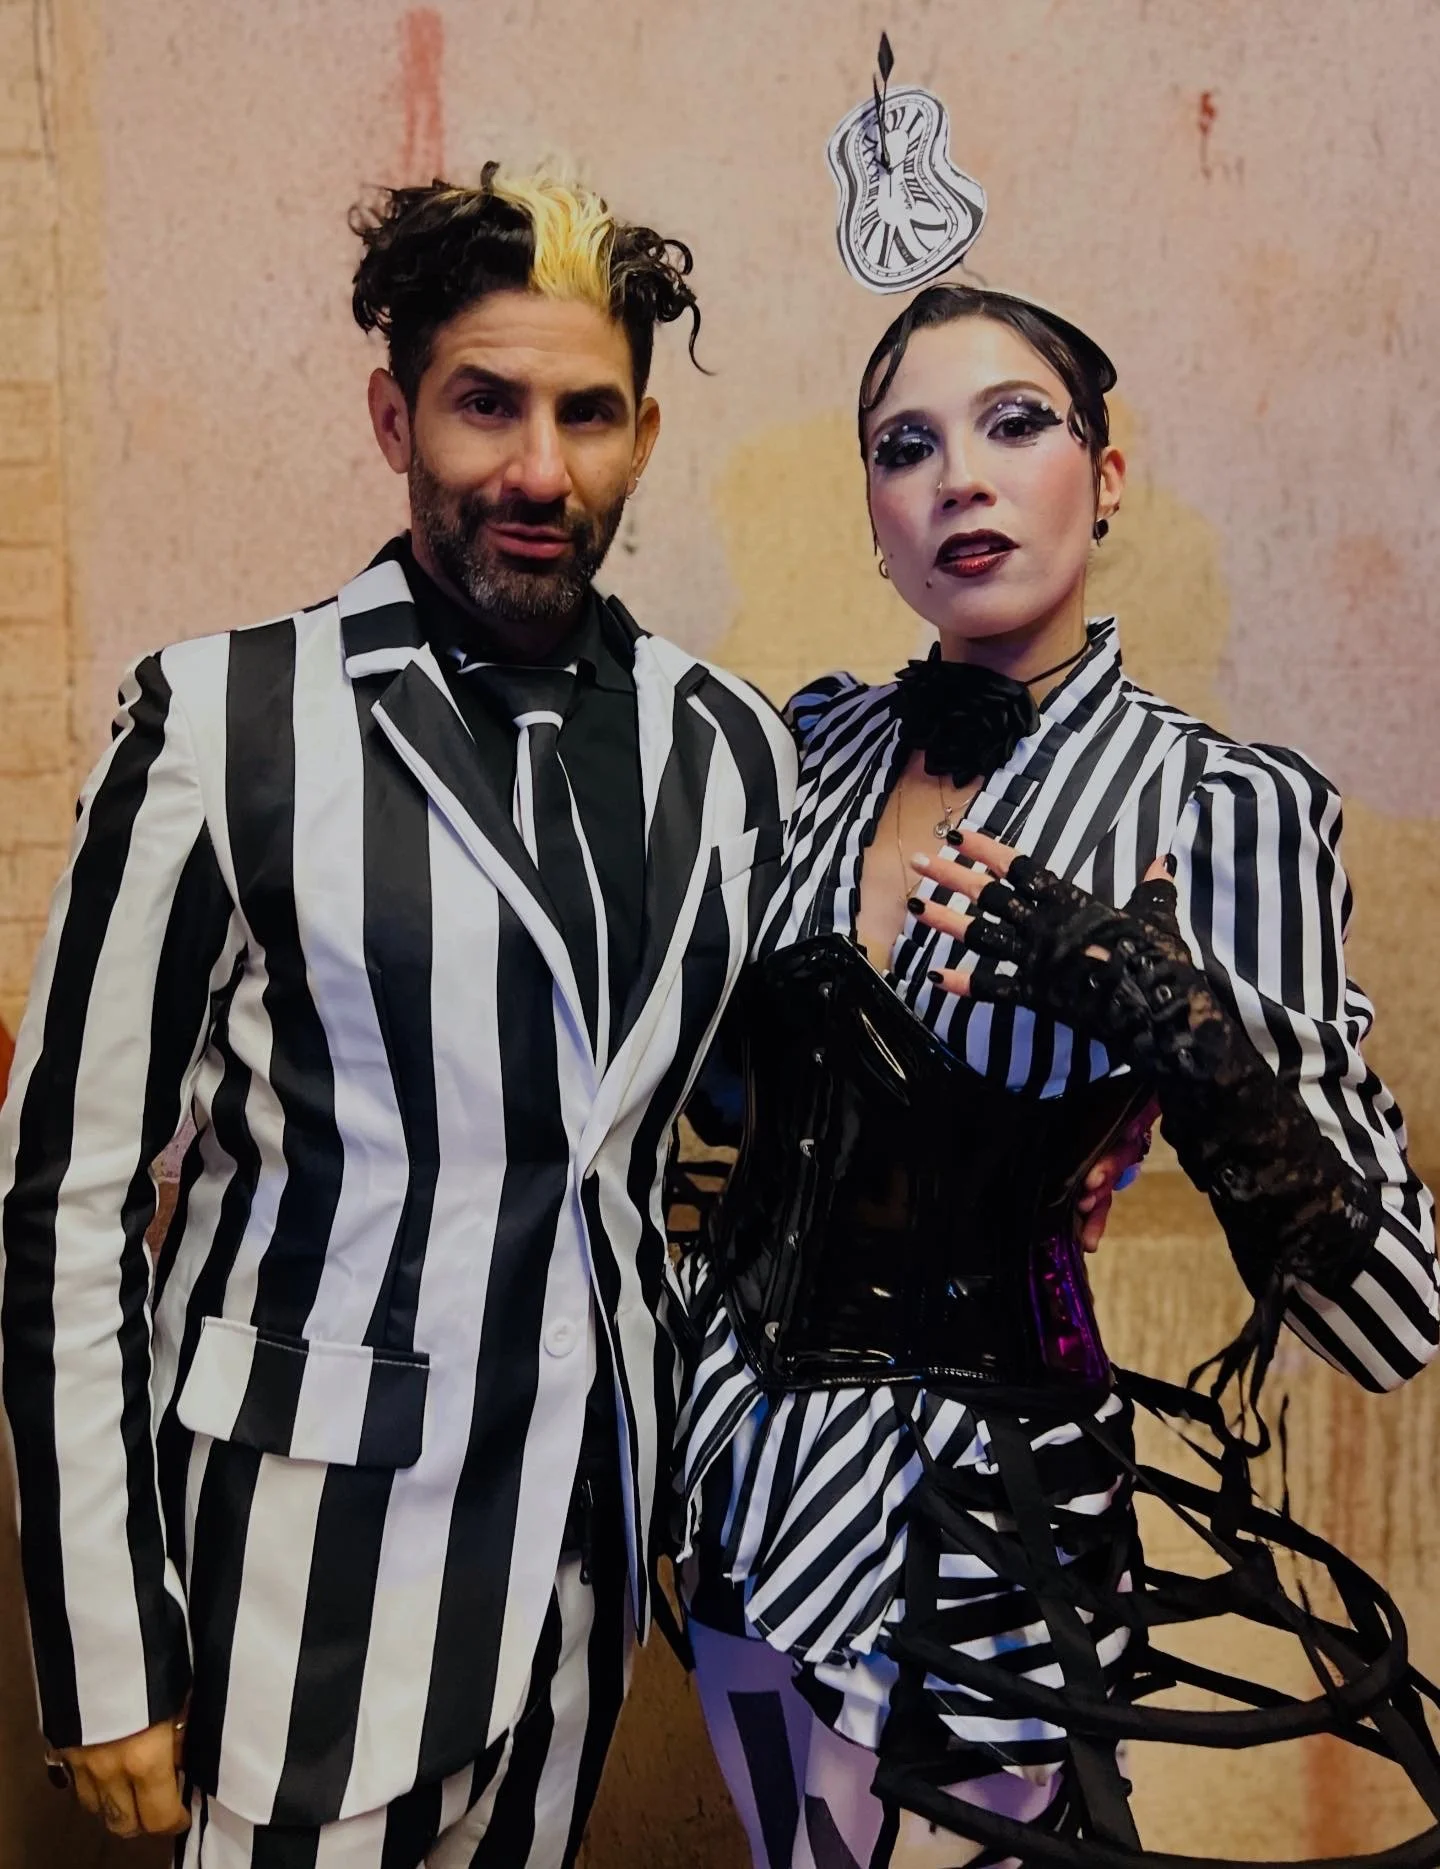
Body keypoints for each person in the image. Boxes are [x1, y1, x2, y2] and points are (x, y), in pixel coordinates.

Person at [0, 167, 803, 1867]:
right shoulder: (224, 721)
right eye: (483, 404)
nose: (537, 467)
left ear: (643, 438)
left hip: (590, 1592)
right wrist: (99, 1647)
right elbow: (62, 1200)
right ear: (394, 415)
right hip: (300, 1607)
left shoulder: (732, 751)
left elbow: (697, 1137)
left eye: (588, 414)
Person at [673, 283, 1439, 1866]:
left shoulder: (1217, 806)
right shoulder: (804, 751)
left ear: (1105, 472)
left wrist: (1174, 1019)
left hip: (986, 1529)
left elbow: (1393, 1315)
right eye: (907, 445)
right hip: (740, 1480)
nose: (960, 476)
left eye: (1015, 423)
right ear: (875, 515)